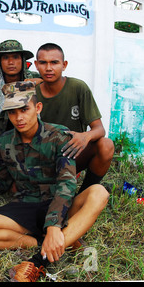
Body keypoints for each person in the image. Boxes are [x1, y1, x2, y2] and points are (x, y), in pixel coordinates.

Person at [0, 82, 109, 282]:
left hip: (57, 204)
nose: (19, 118)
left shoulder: (59, 136)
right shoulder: (5, 141)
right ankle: (54, 241)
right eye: (12, 112)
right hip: (25, 206)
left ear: (38, 108)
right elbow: (1, 182)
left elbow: (66, 184)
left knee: (99, 193)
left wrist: (53, 224)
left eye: (24, 109)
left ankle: (38, 262)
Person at [34, 43, 114, 193]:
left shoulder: (78, 87)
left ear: (64, 65)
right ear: (36, 65)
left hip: (72, 152)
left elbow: (99, 129)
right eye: (43, 63)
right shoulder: (31, 92)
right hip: (44, 158)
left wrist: (85, 136)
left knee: (106, 145)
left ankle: (85, 192)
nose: (49, 68)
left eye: (54, 62)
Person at [0, 40, 41, 179]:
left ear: (22, 60)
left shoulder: (37, 81)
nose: (11, 62)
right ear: (0, 62)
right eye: (6, 58)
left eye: (15, 57)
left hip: (32, 140)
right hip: (2, 142)